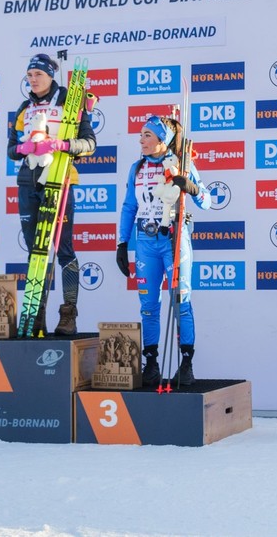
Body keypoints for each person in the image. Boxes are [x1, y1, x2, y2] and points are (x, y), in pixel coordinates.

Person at [115, 115, 210, 386]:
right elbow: (129, 207)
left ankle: (186, 364)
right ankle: (151, 364)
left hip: (174, 240)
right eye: (141, 135)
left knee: (181, 302)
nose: (141, 140)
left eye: (147, 135)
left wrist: (192, 188)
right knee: (148, 306)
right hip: (146, 242)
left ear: (162, 140)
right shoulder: (137, 168)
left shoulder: (182, 164)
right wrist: (122, 243)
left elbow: (207, 201)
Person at [7, 53, 96, 336]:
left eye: (39, 74)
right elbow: (11, 149)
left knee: (64, 249)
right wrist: (24, 149)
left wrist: (61, 145)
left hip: (60, 181)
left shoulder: (69, 101)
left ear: (50, 76)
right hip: (28, 183)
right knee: (36, 252)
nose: (33, 80)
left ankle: (68, 315)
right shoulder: (25, 108)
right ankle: (36, 315)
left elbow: (89, 144)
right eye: (29, 75)